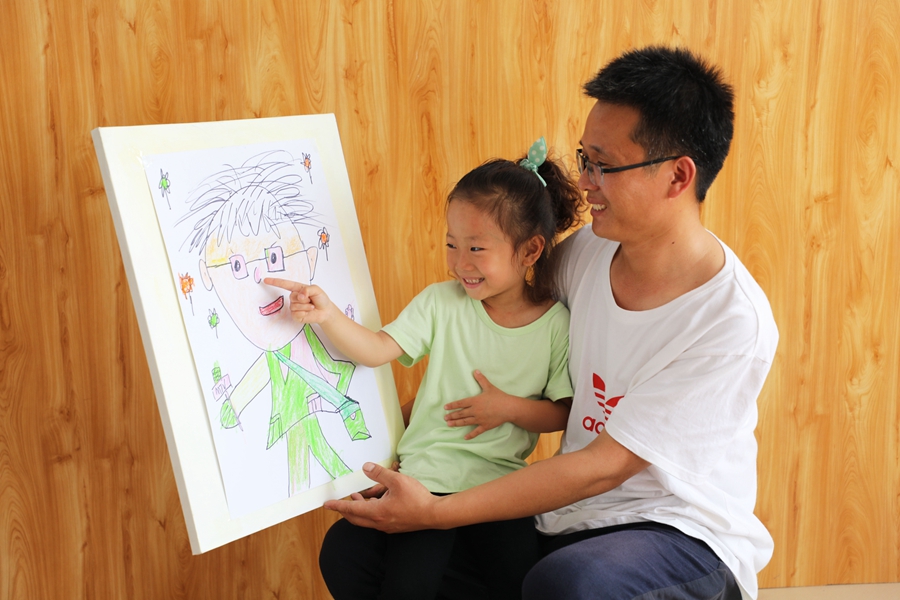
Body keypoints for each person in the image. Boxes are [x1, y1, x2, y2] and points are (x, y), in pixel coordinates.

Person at [324, 46, 779, 600]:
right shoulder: (584, 254)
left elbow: (604, 466)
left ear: (677, 176)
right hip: (568, 518)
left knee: (569, 584)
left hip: (677, 535)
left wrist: (434, 513)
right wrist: (404, 446)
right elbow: (481, 342)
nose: (585, 182)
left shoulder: (730, 323)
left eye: (603, 165)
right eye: (585, 159)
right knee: (355, 549)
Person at [268, 138, 584, 599]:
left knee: (523, 584)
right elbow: (376, 349)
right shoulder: (441, 302)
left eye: (476, 248)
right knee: (408, 585)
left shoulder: (555, 325)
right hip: (425, 481)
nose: (459, 263)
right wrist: (328, 314)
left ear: (530, 251)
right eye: (452, 244)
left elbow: (563, 413)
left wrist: (508, 408)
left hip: (500, 490)